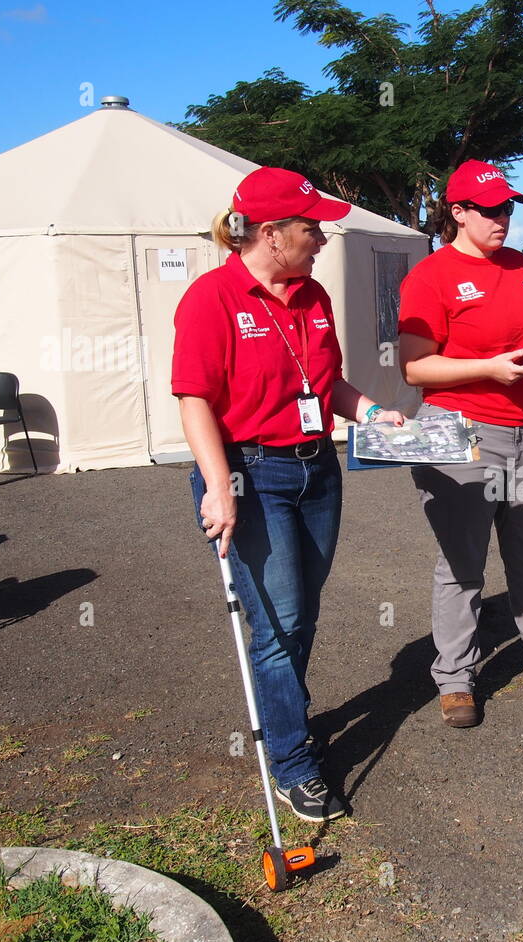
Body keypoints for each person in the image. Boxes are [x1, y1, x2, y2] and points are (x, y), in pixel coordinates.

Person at [172, 167, 404, 820]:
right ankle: (292, 761)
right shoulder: (212, 299)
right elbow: (194, 402)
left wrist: (374, 415)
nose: (324, 238)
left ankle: (284, 714)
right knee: (278, 625)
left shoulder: (313, 298)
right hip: (251, 474)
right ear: (271, 235)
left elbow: (328, 385)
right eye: (312, 228)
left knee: (302, 613)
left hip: (316, 470)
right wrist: (219, 487)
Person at [397, 160, 523, 728]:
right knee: (462, 565)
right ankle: (456, 679)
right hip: (461, 434)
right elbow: (415, 368)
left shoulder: (522, 269)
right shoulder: (431, 277)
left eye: (508, 208)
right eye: (489, 209)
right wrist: (486, 369)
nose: (502, 219)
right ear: (458, 212)